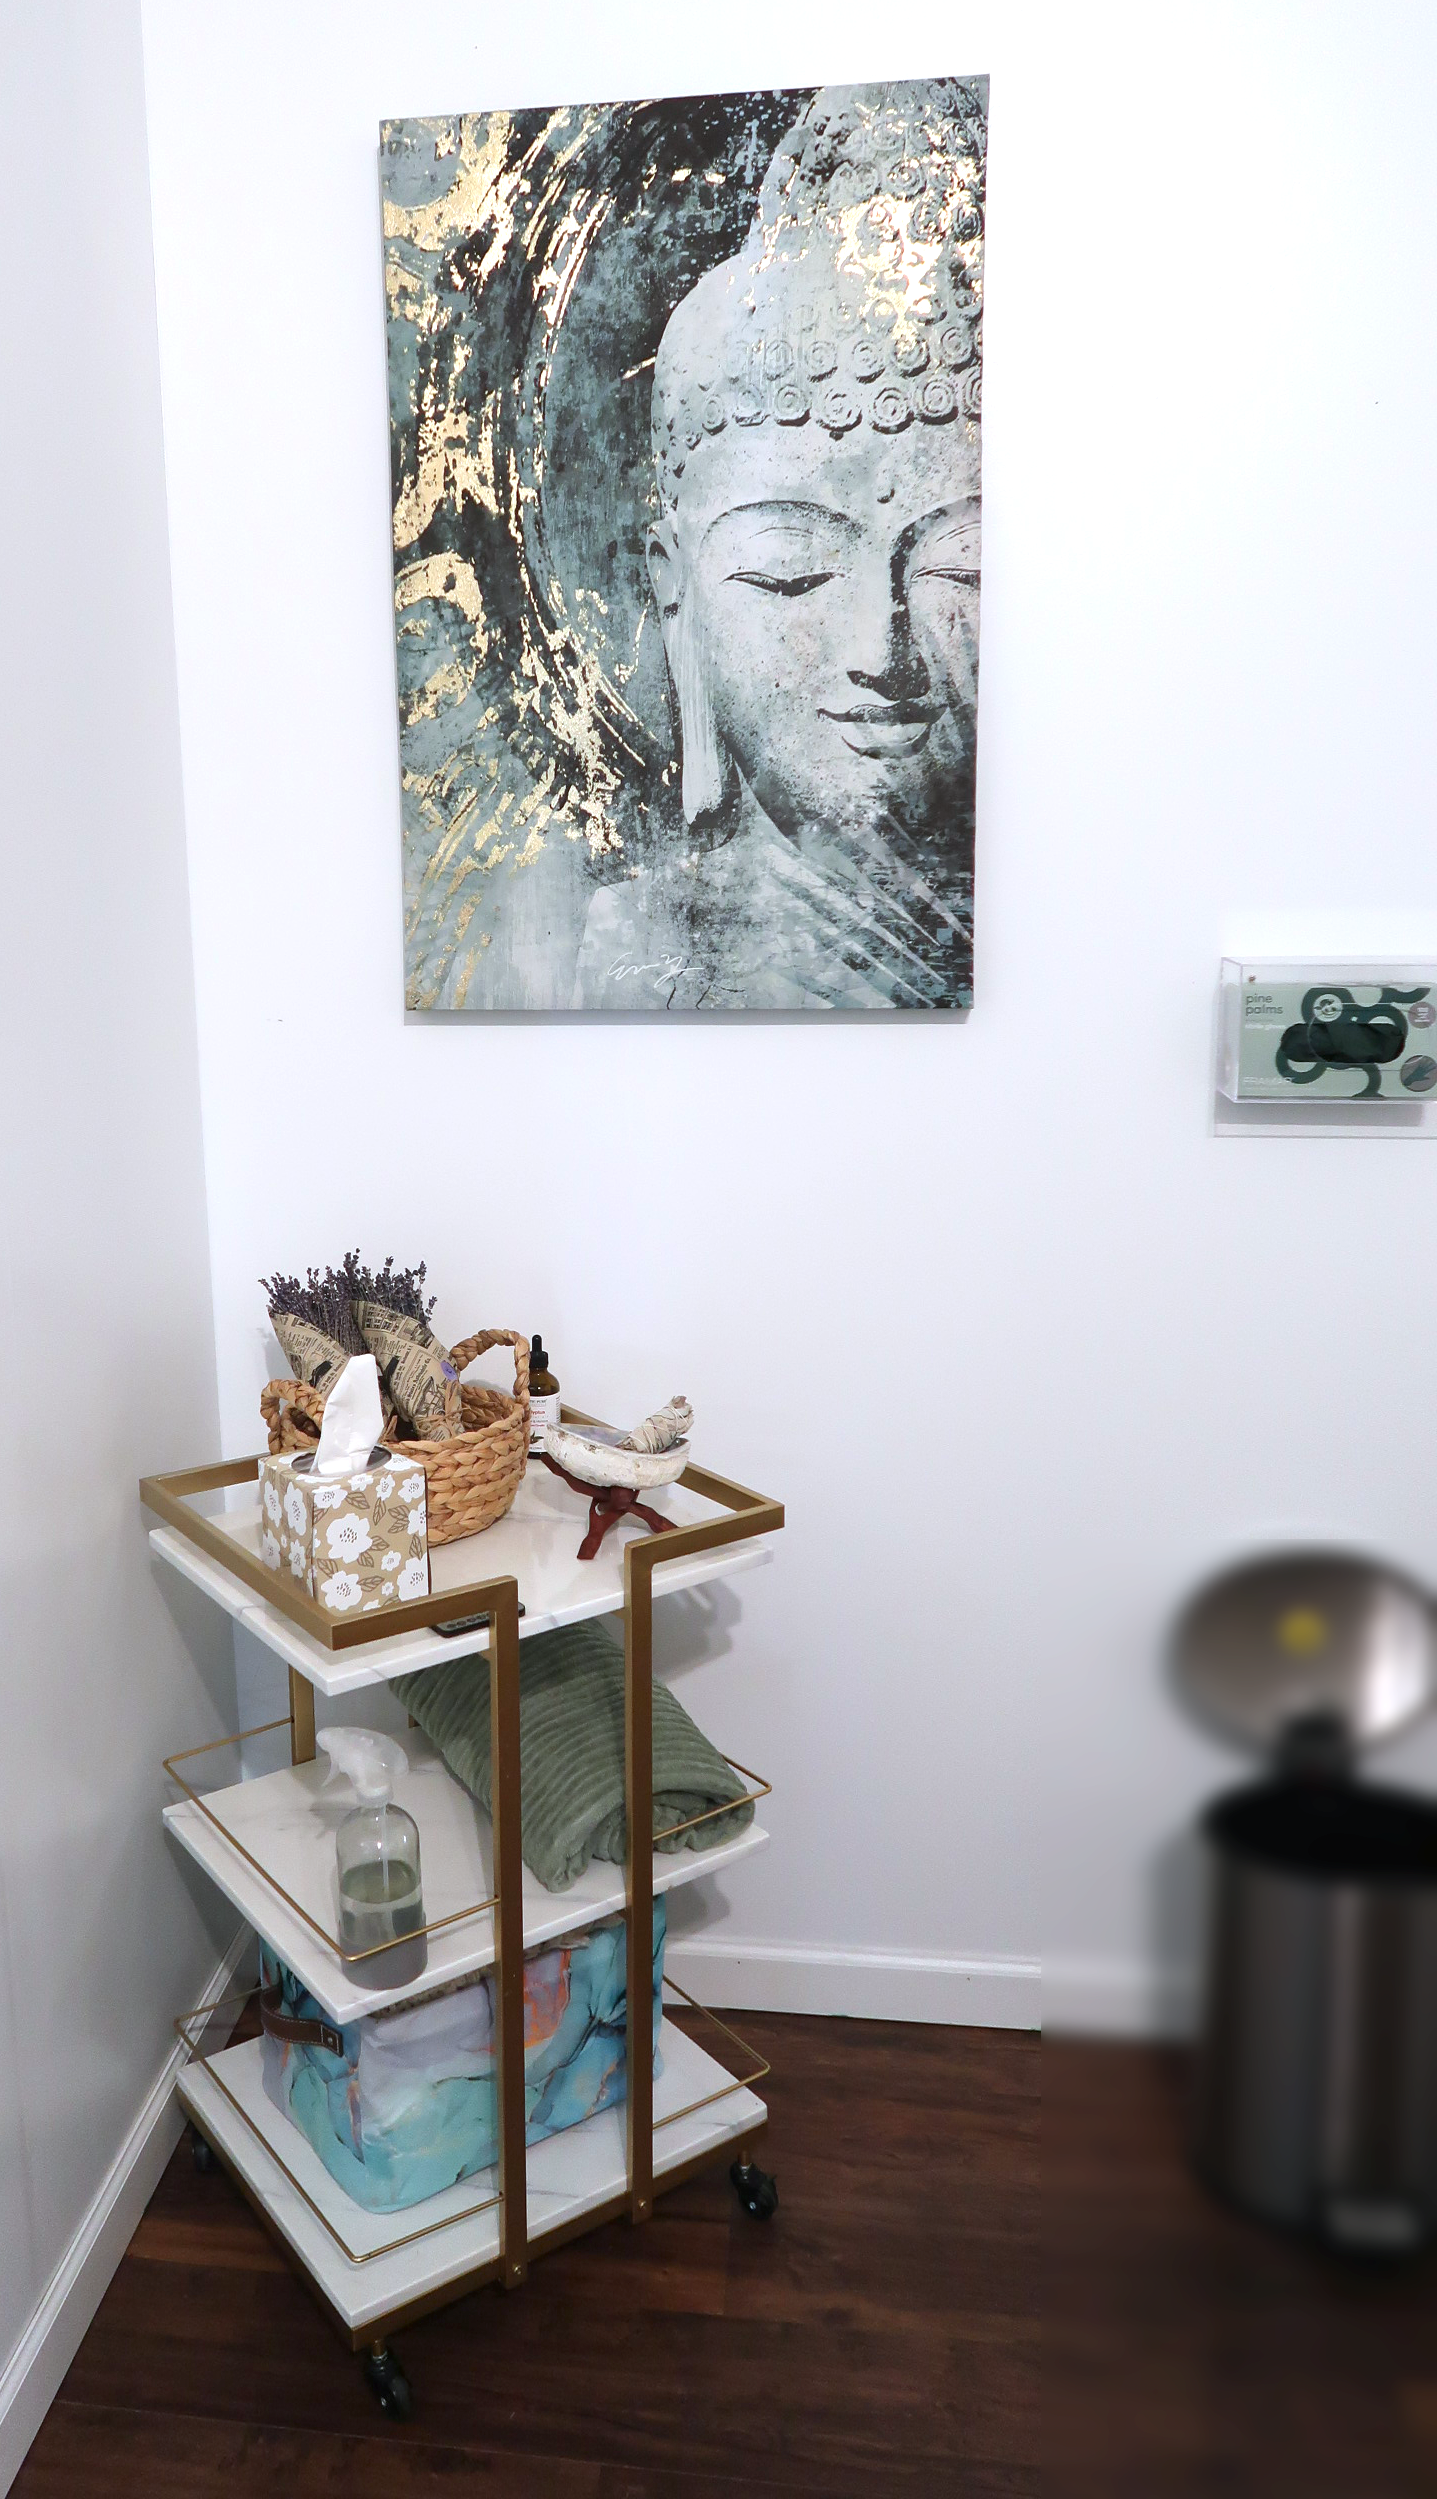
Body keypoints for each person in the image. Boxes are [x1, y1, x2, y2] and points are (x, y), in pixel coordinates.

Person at [573, 79, 985, 1010]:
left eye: (959, 570)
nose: (884, 655)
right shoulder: (636, 949)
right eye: (789, 574)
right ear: (674, 595)